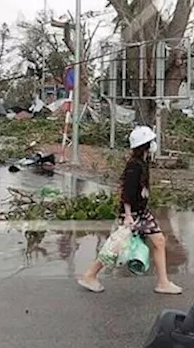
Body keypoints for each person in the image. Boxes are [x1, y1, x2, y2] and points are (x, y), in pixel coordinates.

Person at [77, 125, 183, 295]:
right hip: (132, 214)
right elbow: (126, 192)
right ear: (145, 145)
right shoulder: (134, 166)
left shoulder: (142, 162)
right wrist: (127, 215)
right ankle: (90, 275)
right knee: (115, 246)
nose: (153, 144)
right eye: (151, 141)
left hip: (141, 212)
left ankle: (163, 282)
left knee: (159, 241)